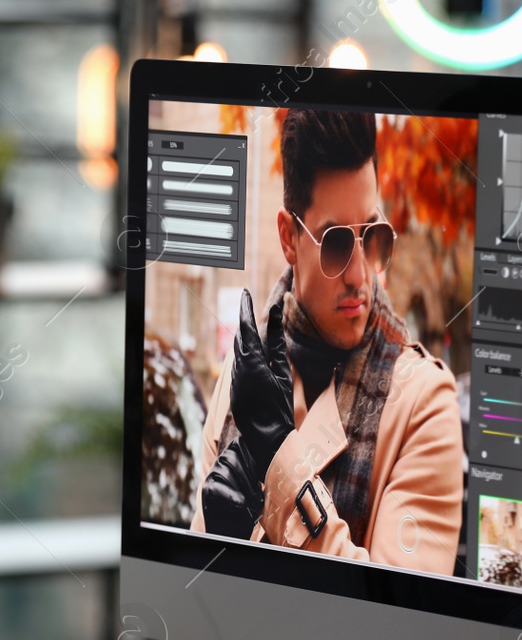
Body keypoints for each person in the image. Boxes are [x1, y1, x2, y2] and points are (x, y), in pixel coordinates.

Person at [190, 109, 464, 573]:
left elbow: (395, 624)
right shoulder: (242, 377)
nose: (361, 275)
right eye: (337, 242)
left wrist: (281, 457)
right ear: (288, 238)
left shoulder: (425, 406)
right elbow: (200, 606)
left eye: (372, 236)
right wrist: (219, 545)